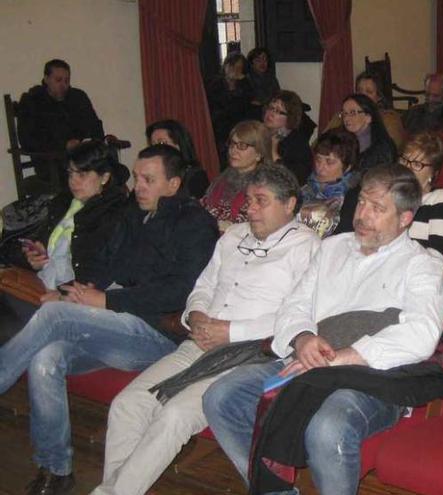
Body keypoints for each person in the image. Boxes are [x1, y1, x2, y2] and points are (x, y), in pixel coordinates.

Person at [203, 165, 443, 493]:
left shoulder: (423, 265)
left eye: (377, 209)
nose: (362, 215)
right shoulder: (333, 247)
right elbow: (295, 304)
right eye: (362, 203)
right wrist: (303, 337)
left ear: (405, 219)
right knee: (221, 397)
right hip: (308, 361)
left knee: (328, 427)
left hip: (373, 377)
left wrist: (343, 356)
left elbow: (421, 333)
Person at [0, 145, 218, 495]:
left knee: (55, 315)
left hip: (156, 333)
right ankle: (55, 469)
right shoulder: (134, 214)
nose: (138, 186)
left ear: (174, 184)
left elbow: (181, 292)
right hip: (115, 326)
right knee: (45, 358)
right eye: (136, 177)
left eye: (149, 180)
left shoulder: (195, 224)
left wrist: (107, 300)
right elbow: (103, 266)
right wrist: (70, 290)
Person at [92, 165, 320, 495]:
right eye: (249, 200)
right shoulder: (233, 236)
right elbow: (203, 286)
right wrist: (196, 315)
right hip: (198, 343)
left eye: (261, 201)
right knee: (128, 404)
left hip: (250, 356)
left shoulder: (307, 247)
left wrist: (231, 331)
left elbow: (298, 315)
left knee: (174, 416)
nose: (250, 209)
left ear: (289, 205)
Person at [3, 141, 128, 324]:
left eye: (82, 174)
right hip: (42, 284)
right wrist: (31, 257)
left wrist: (62, 294)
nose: (73, 181)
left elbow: (103, 270)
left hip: (73, 296)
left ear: (104, 177)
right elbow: (22, 243)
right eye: (70, 174)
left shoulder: (115, 213)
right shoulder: (62, 204)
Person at [17, 59, 105, 184]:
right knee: (86, 176)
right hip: (53, 162)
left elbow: (95, 126)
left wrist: (90, 142)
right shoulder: (33, 101)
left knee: (112, 170)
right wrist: (64, 145)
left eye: (66, 81)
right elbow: (27, 139)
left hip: (85, 158)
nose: (63, 85)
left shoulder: (78, 98)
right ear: (46, 79)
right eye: (58, 80)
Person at [201, 120, 273, 230]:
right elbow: (204, 207)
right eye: (232, 144)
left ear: (259, 153)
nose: (233, 150)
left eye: (242, 146)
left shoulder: (264, 185)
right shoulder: (223, 179)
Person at [395, 133, 443, 256]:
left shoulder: (438, 198)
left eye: (417, 164)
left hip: (416, 270)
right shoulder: (389, 193)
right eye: (405, 160)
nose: (407, 168)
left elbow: (436, 254)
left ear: (433, 173)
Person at [297, 130, 360, 238]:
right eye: (318, 160)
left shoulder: (353, 197)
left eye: (329, 162)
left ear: (348, 167)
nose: (320, 168)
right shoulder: (303, 185)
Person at [323, 71, 406, 147]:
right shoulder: (340, 116)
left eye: (369, 92)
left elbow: (394, 150)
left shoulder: (389, 119)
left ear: (379, 97)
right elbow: (320, 143)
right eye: (359, 91)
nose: (362, 96)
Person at [207, 52, 256, 164]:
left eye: (238, 67)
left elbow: (246, 104)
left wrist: (239, 85)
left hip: (239, 122)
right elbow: (217, 106)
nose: (234, 70)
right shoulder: (215, 84)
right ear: (226, 66)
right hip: (220, 125)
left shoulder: (245, 84)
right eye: (232, 66)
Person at [263, 90, 317, 184]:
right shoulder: (257, 131)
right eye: (271, 108)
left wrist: (274, 151)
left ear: (290, 117)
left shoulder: (298, 143)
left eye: (279, 111)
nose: (271, 113)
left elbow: (294, 179)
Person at [146, 120, 210, 198]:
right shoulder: (149, 177)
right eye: (153, 145)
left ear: (179, 145)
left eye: (162, 143)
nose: (156, 149)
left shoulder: (195, 176)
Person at [339, 93, 398, 171]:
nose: (347, 118)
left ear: (368, 118)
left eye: (353, 113)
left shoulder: (383, 147)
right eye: (344, 113)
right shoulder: (338, 140)